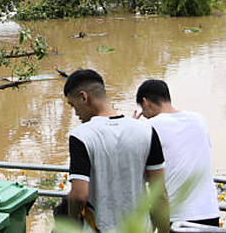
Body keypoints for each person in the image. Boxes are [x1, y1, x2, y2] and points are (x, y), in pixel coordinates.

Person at [65, 69, 170, 233]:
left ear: (84, 97)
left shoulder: (81, 135)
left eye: (73, 105)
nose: (76, 113)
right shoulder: (146, 131)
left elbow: (79, 195)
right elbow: (160, 195)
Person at [135, 79, 221, 228]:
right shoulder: (198, 120)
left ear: (146, 101)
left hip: (178, 217)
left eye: (142, 108)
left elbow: (140, 173)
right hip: (210, 212)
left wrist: (133, 129)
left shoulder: (149, 127)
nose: (144, 114)